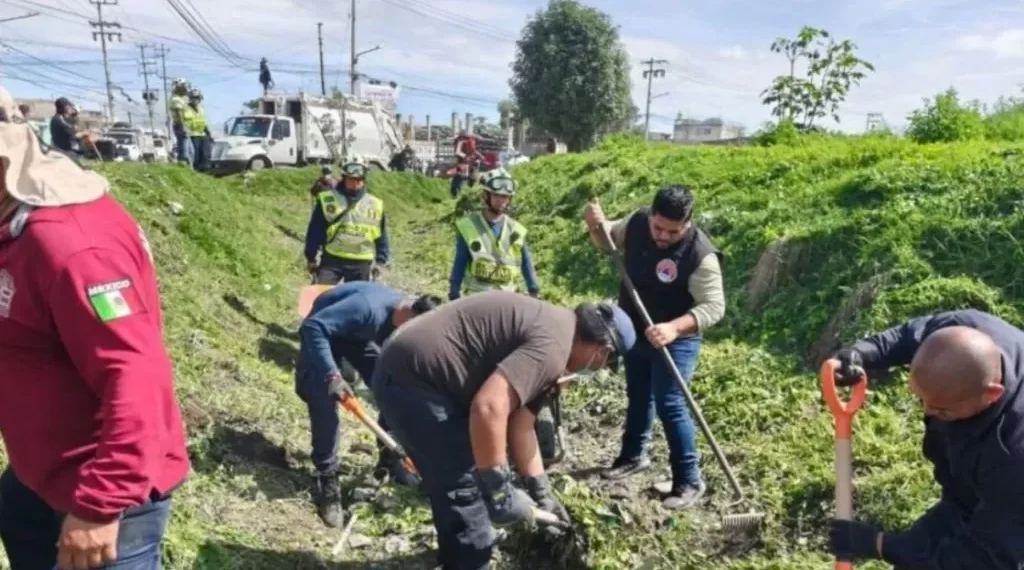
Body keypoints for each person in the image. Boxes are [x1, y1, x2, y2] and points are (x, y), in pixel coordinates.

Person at [0, 83, 190, 569]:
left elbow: (135, 375)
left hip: (96, 491)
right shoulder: (12, 225)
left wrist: (99, 505)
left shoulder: (73, 248)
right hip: (39, 473)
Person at [370, 291, 637, 570]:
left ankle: (456, 557)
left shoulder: (558, 332)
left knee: (456, 478)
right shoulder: (551, 348)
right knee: (465, 485)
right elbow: (488, 408)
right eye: (605, 363)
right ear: (602, 351)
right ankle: (470, 563)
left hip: (414, 372)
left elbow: (521, 425)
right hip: (413, 380)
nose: (597, 368)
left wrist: (541, 491)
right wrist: (499, 488)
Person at [827, 309, 1024, 569]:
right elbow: (910, 336)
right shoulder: (961, 330)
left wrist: (881, 544)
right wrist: (863, 353)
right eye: (921, 400)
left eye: (942, 410)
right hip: (966, 497)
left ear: (991, 395)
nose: (927, 412)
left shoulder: (1013, 454)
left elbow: (986, 559)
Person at [583, 185, 726, 510]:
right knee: (638, 394)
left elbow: (715, 307)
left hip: (676, 339)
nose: (662, 236)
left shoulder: (700, 256)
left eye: (671, 232)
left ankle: (689, 480)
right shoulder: (636, 223)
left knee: (670, 404)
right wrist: (595, 225)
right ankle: (634, 456)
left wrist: (674, 327)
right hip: (634, 329)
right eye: (657, 227)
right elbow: (607, 242)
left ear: (687, 223)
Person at [296, 281, 443, 527]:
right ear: (411, 317)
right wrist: (333, 375)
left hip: (355, 337)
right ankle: (327, 480)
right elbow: (312, 327)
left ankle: (389, 460)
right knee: (324, 403)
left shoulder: (397, 319)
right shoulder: (367, 309)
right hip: (322, 334)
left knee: (393, 387)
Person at [448, 168, 540, 300]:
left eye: (505, 196)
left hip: (507, 300)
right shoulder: (468, 226)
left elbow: (526, 263)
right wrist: (454, 292)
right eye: (496, 195)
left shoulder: (517, 230)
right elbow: (459, 263)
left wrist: (533, 288)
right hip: (477, 299)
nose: (500, 200)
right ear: (486, 195)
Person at [304, 158, 390, 285]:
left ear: (364, 180)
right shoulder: (327, 199)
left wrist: (381, 261)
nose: (355, 184)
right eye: (351, 179)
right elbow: (315, 230)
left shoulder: (375, 204)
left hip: (361, 261)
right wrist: (311, 257)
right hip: (332, 259)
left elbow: (382, 236)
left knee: (358, 303)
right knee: (318, 297)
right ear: (344, 178)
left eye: (358, 180)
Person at [451, 130, 482, 198]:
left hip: (472, 162)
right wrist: (465, 157)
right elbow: (457, 152)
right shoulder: (460, 141)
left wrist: (480, 157)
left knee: (472, 178)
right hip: (463, 162)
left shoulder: (472, 141)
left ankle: (469, 192)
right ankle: (455, 193)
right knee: (460, 176)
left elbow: (474, 150)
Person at [168, 78, 192, 166]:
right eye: (184, 86)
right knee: (184, 150)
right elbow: (179, 114)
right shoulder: (176, 99)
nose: (186, 89)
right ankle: (183, 165)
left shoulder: (179, 98)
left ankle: (186, 165)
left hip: (182, 125)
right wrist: (183, 126)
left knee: (189, 150)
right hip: (180, 125)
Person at [186, 88, 210, 171]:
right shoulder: (187, 108)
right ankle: (195, 170)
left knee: (205, 154)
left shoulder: (201, 108)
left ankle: (204, 170)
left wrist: (208, 132)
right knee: (195, 154)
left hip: (202, 134)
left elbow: (204, 121)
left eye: (197, 98)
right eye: (193, 98)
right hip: (193, 134)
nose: (195, 100)